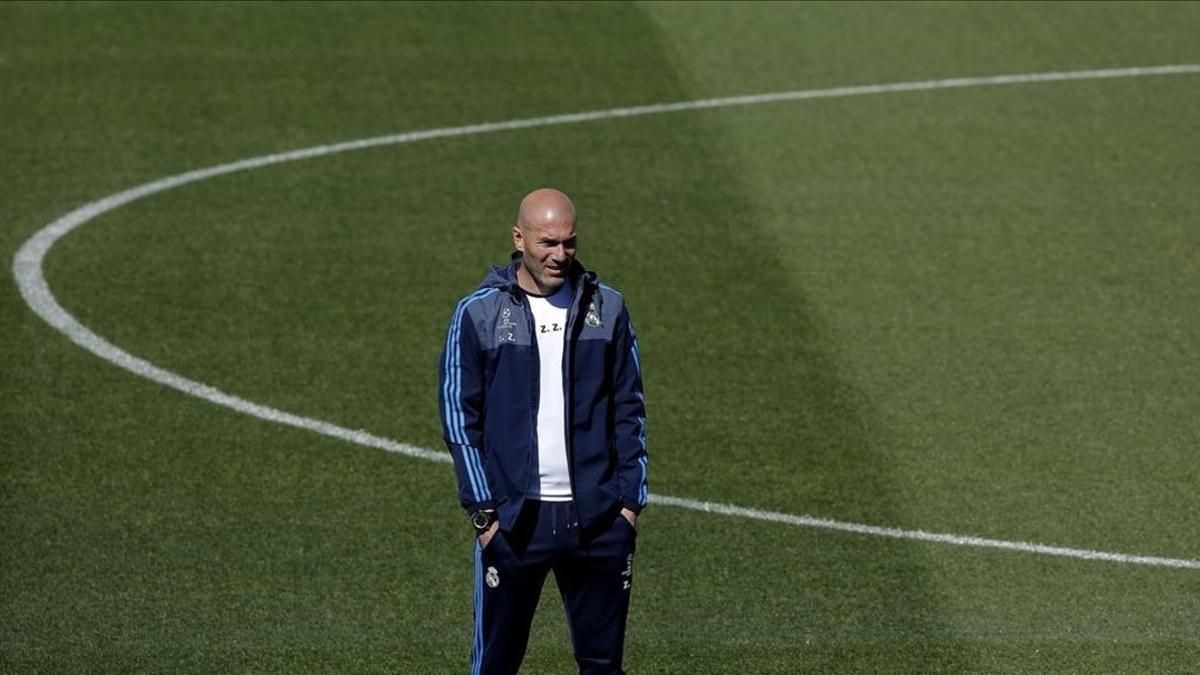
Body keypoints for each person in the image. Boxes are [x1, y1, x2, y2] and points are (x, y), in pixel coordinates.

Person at [438, 188, 648, 674]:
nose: (559, 255)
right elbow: (457, 416)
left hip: (597, 522)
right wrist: (484, 513)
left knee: (602, 665)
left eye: (569, 243)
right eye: (547, 242)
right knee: (495, 664)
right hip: (513, 523)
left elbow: (630, 409)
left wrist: (629, 505)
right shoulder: (479, 314)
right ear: (519, 238)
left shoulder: (608, 309)